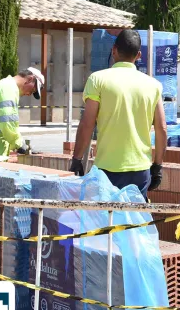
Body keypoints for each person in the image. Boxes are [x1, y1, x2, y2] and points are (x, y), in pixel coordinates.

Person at [69, 29, 166, 200]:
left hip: (107, 169)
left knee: (107, 223)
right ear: (139, 55)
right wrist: (157, 166)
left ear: (114, 50)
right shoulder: (153, 85)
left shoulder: (98, 80)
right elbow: (162, 129)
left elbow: (87, 124)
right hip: (140, 169)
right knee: (135, 223)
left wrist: (77, 159)